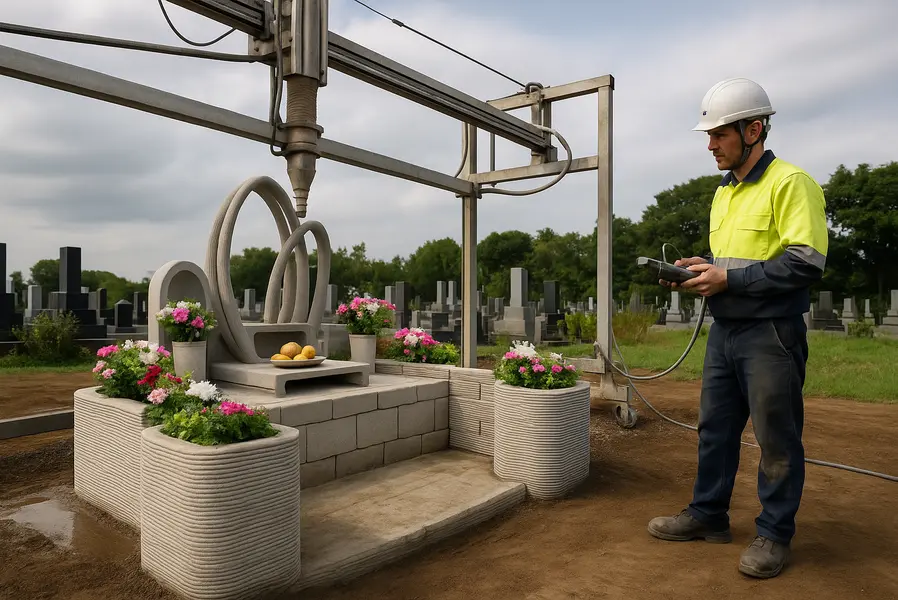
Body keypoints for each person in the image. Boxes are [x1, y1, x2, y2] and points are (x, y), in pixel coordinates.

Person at [646, 77, 829, 579]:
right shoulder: (724, 193)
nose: (710, 145)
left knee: (776, 437)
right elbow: (734, 260)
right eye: (709, 136)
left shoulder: (791, 183)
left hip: (771, 334)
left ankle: (773, 533)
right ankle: (709, 515)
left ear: (754, 129)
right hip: (725, 333)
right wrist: (701, 266)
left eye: (719, 135)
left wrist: (729, 277)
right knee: (716, 431)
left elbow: (805, 263)